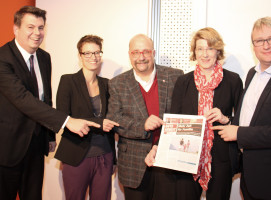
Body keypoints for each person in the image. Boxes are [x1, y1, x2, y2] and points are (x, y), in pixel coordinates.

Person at [0, 6, 100, 200]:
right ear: (16, 29)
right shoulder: (3, 58)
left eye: (41, 27)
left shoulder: (44, 57)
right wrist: (66, 121)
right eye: (31, 27)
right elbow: (23, 99)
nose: (37, 33)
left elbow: (45, 98)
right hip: (8, 148)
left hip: (36, 146)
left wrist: (49, 136)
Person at [145, 27, 243, 200]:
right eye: (200, 49)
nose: (205, 54)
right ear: (194, 52)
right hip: (186, 157)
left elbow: (243, 120)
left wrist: (225, 119)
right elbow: (173, 121)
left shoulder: (233, 80)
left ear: (217, 51)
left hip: (220, 159)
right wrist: (157, 147)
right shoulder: (183, 81)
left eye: (210, 48)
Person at [213, 17, 271, 200]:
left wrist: (239, 134)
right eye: (259, 41)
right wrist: (228, 121)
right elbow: (251, 118)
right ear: (253, 46)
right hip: (250, 177)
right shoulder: (252, 73)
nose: (266, 45)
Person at [106, 34, 183, 200]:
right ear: (129, 55)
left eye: (146, 52)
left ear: (153, 52)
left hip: (168, 160)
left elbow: (182, 116)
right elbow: (114, 118)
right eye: (135, 52)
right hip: (134, 164)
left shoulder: (176, 77)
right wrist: (142, 125)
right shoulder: (117, 83)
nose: (141, 57)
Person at [54, 35, 119, 200]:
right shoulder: (68, 81)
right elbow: (62, 117)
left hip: (105, 155)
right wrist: (99, 123)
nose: (94, 57)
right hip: (76, 154)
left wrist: (114, 160)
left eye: (97, 52)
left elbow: (112, 118)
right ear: (80, 56)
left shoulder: (107, 84)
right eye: (88, 53)